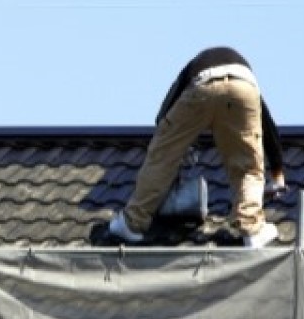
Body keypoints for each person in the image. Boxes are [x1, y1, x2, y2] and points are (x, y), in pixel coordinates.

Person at [108, 46, 285, 248]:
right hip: (244, 87)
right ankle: (252, 230)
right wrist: (277, 173)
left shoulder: (191, 69)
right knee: (248, 167)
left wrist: (172, 141)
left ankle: (132, 223)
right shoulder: (240, 73)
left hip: (203, 83)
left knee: (163, 158)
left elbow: (165, 114)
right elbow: (266, 123)